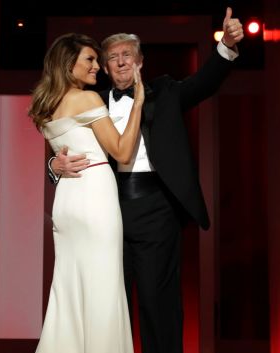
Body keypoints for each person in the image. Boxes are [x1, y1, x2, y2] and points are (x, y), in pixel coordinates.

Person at [48, 8, 244, 353]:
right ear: (105, 68)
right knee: (107, 298)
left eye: (127, 55)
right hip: (104, 207)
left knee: (158, 302)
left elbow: (204, 83)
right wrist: (54, 164)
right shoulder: (89, 100)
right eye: (112, 57)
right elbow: (64, 147)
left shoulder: (166, 92)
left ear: (140, 61)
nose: (120, 62)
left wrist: (225, 46)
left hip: (156, 209)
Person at [28, 32, 145, 353]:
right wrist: (138, 103)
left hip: (67, 201)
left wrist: (54, 164)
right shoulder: (87, 99)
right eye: (90, 60)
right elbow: (121, 152)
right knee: (104, 286)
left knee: (67, 288)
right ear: (69, 64)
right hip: (95, 197)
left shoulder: (45, 104)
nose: (97, 67)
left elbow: (62, 153)